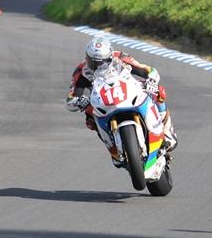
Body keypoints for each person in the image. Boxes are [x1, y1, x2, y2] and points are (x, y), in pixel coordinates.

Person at [65, 37, 178, 167]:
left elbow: (148, 70)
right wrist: (79, 101)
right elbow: (70, 98)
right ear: (87, 58)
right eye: (93, 62)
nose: (97, 66)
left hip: (127, 90)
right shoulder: (81, 71)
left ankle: (167, 131)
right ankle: (114, 150)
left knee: (157, 92)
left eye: (102, 62)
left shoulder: (121, 57)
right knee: (90, 117)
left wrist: (151, 81)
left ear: (110, 57)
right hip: (102, 101)